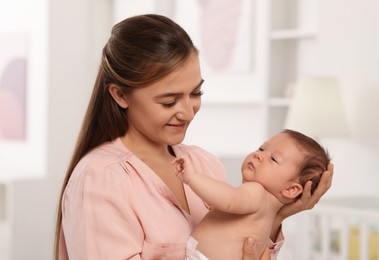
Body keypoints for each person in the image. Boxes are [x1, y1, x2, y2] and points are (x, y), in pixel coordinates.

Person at [54, 14, 334, 260]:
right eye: (168, 102)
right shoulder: (101, 178)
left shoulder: (204, 164)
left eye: (196, 93)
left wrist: (280, 213)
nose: (187, 112)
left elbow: (240, 243)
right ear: (120, 95)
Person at [173, 129, 331, 260]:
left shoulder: (257, 192)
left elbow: (230, 199)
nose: (259, 155)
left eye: (274, 159)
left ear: (291, 190)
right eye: (262, 149)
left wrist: (192, 177)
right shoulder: (269, 212)